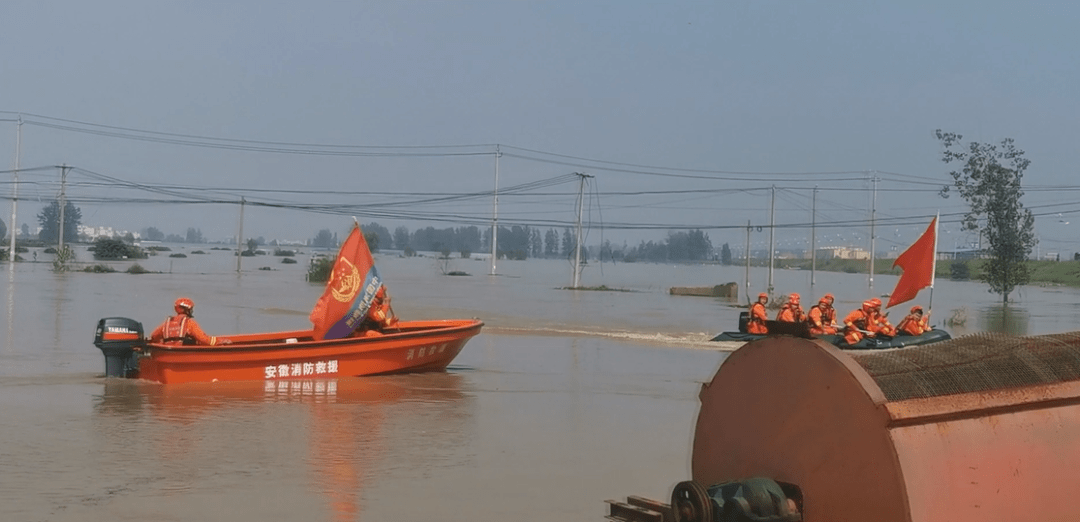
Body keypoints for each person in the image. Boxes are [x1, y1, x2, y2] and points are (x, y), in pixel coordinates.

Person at [149, 297, 231, 346]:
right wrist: (218, 341)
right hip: (184, 355)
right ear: (187, 310)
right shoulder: (189, 323)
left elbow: (154, 336)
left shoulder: (167, 323)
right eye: (191, 310)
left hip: (168, 354)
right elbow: (203, 339)